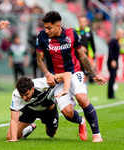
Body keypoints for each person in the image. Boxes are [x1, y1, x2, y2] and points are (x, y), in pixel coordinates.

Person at [36, 11, 106, 142]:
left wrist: (94, 74)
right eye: (45, 27)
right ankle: (81, 121)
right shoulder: (42, 37)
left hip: (74, 72)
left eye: (49, 28)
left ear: (58, 25)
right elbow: (40, 60)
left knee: (82, 98)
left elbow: (82, 56)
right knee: (68, 113)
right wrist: (47, 74)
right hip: (56, 78)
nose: (46, 30)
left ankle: (97, 134)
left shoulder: (71, 34)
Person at [6, 72, 72, 142]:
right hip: (31, 111)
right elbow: (14, 119)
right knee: (9, 136)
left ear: (33, 89)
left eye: (26, 94)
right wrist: (14, 139)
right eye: (22, 95)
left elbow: (67, 75)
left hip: (47, 110)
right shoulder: (16, 94)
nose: (24, 98)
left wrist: (65, 90)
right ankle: (30, 128)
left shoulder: (43, 83)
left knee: (51, 134)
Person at [75, 16, 96, 83]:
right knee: (77, 72)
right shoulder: (75, 31)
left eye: (84, 22)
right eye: (81, 21)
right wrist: (80, 48)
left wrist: (93, 58)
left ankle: (84, 87)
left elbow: (92, 46)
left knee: (85, 73)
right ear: (79, 22)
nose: (82, 23)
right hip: (76, 56)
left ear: (86, 23)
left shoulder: (89, 32)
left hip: (86, 56)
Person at [107, 28, 124, 99]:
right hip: (112, 61)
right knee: (112, 78)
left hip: (115, 61)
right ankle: (110, 95)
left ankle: (111, 94)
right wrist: (113, 60)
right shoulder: (113, 41)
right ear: (118, 33)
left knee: (113, 78)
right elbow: (110, 52)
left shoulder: (117, 42)